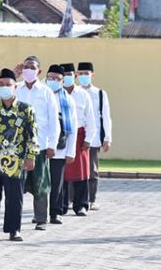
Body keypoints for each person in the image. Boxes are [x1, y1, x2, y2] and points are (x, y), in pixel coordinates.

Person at [0, 68, 38, 243]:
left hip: (14, 161)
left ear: (15, 87)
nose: (5, 88)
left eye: (8, 85)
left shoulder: (25, 109)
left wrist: (32, 156)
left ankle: (14, 230)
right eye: (2, 85)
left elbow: (32, 133)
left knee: (14, 197)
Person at [11, 56, 59, 231]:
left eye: (32, 67)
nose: (28, 70)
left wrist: (52, 144)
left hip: (39, 144)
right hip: (18, 144)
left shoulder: (46, 92)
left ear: (39, 71)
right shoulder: (15, 88)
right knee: (16, 184)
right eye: (26, 67)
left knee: (40, 183)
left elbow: (54, 120)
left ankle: (40, 219)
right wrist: (13, 76)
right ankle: (14, 219)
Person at [60, 63, 96, 216]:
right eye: (64, 75)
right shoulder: (54, 93)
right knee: (61, 172)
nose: (67, 77)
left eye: (70, 74)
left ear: (74, 76)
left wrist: (89, 139)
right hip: (61, 136)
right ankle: (61, 205)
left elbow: (90, 118)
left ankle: (81, 204)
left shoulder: (82, 94)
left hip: (80, 135)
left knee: (81, 172)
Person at [76, 62, 112, 210]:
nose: (84, 76)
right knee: (75, 168)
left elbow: (106, 116)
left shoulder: (100, 94)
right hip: (77, 135)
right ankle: (74, 199)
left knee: (92, 169)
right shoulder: (73, 92)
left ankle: (92, 199)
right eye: (81, 73)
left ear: (92, 75)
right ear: (76, 75)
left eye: (87, 73)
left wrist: (107, 138)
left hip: (94, 137)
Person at [45, 64, 78, 225]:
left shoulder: (68, 99)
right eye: (50, 77)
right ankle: (41, 213)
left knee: (57, 183)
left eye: (57, 79)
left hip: (60, 147)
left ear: (62, 81)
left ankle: (55, 212)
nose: (53, 81)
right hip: (41, 147)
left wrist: (70, 151)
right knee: (41, 182)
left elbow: (72, 127)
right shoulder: (41, 94)